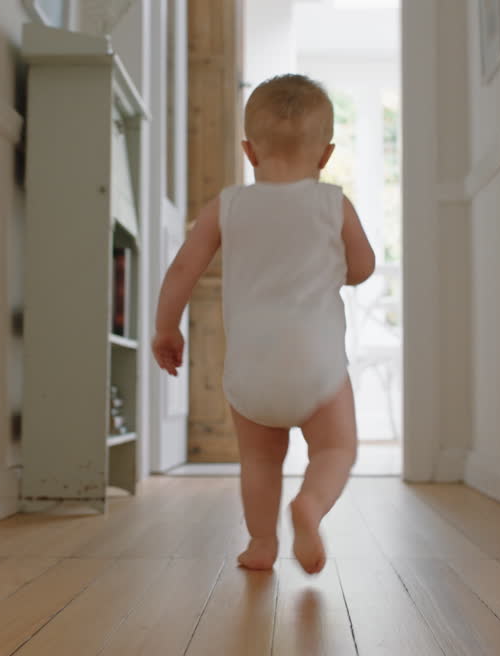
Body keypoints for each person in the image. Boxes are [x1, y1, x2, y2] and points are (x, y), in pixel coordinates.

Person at [151, 74, 375, 574]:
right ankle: (310, 506)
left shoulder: (226, 206)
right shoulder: (334, 204)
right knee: (336, 447)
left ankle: (260, 543)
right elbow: (362, 270)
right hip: (315, 363)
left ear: (250, 151)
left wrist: (166, 329)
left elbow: (183, 269)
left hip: (250, 366)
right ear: (325, 155)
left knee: (259, 460)